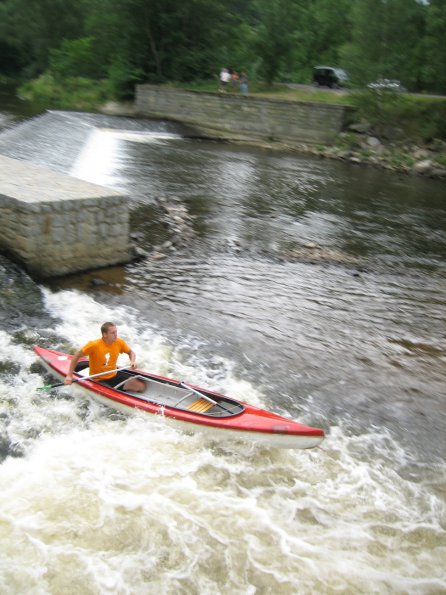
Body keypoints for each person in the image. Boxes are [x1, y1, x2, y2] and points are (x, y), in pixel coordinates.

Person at [64, 322, 137, 389]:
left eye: (116, 332)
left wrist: (132, 361)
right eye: (113, 333)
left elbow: (131, 352)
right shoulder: (94, 345)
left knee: (141, 386)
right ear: (105, 334)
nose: (116, 335)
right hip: (98, 379)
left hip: (114, 374)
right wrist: (69, 376)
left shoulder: (119, 342)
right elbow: (76, 355)